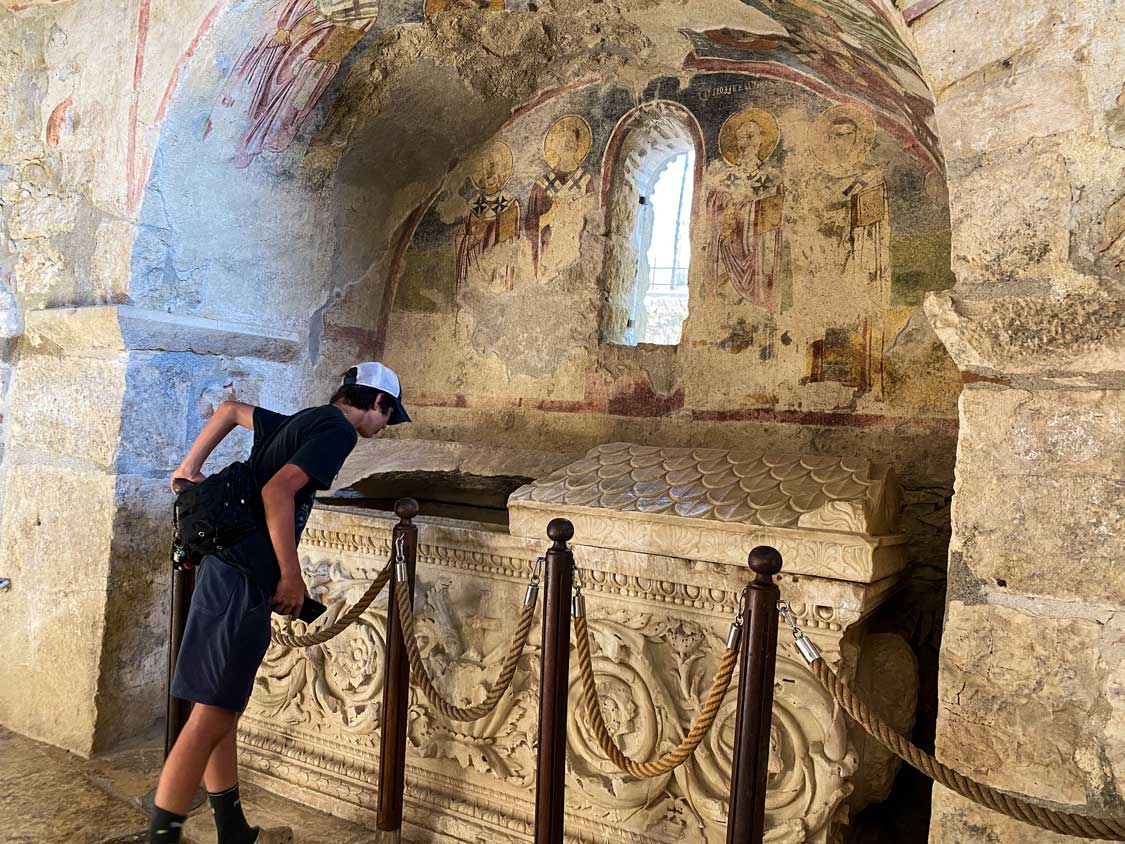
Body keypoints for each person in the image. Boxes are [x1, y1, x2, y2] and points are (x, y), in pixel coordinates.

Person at [146, 362, 411, 844]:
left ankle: (232, 831)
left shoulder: (303, 419)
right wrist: (291, 576)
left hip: (221, 569)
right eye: (387, 417)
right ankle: (160, 837)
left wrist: (188, 468)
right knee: (211, 717)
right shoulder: (337, 431)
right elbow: (277, 490)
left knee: (218, 707)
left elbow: (228, 411)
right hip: (246, 578)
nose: (383, 428)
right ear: (376, 401)